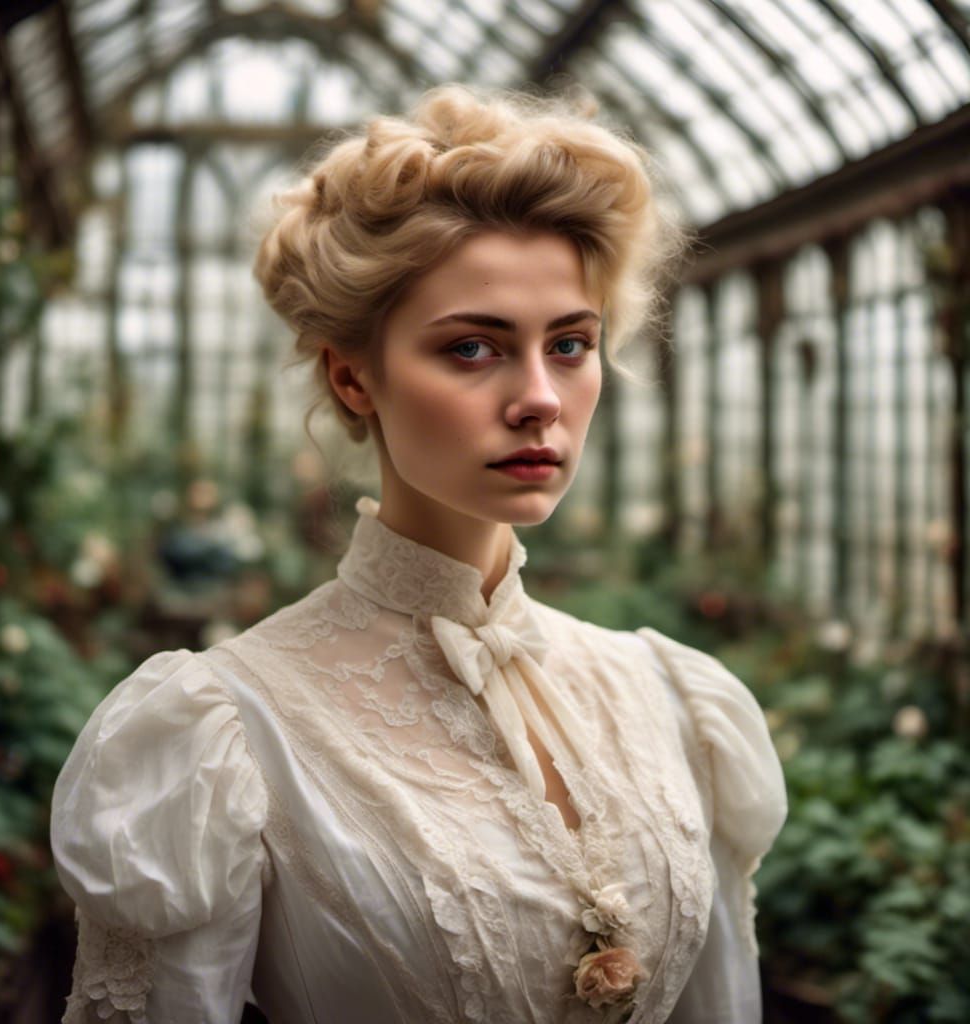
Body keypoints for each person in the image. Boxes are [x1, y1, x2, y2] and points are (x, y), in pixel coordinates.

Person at [50, 84, 787, 1024]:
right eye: (474, 350)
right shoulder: (223, 731)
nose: (540, 398)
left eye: (570, 344)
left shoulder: (673, 697)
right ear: (352, 375)